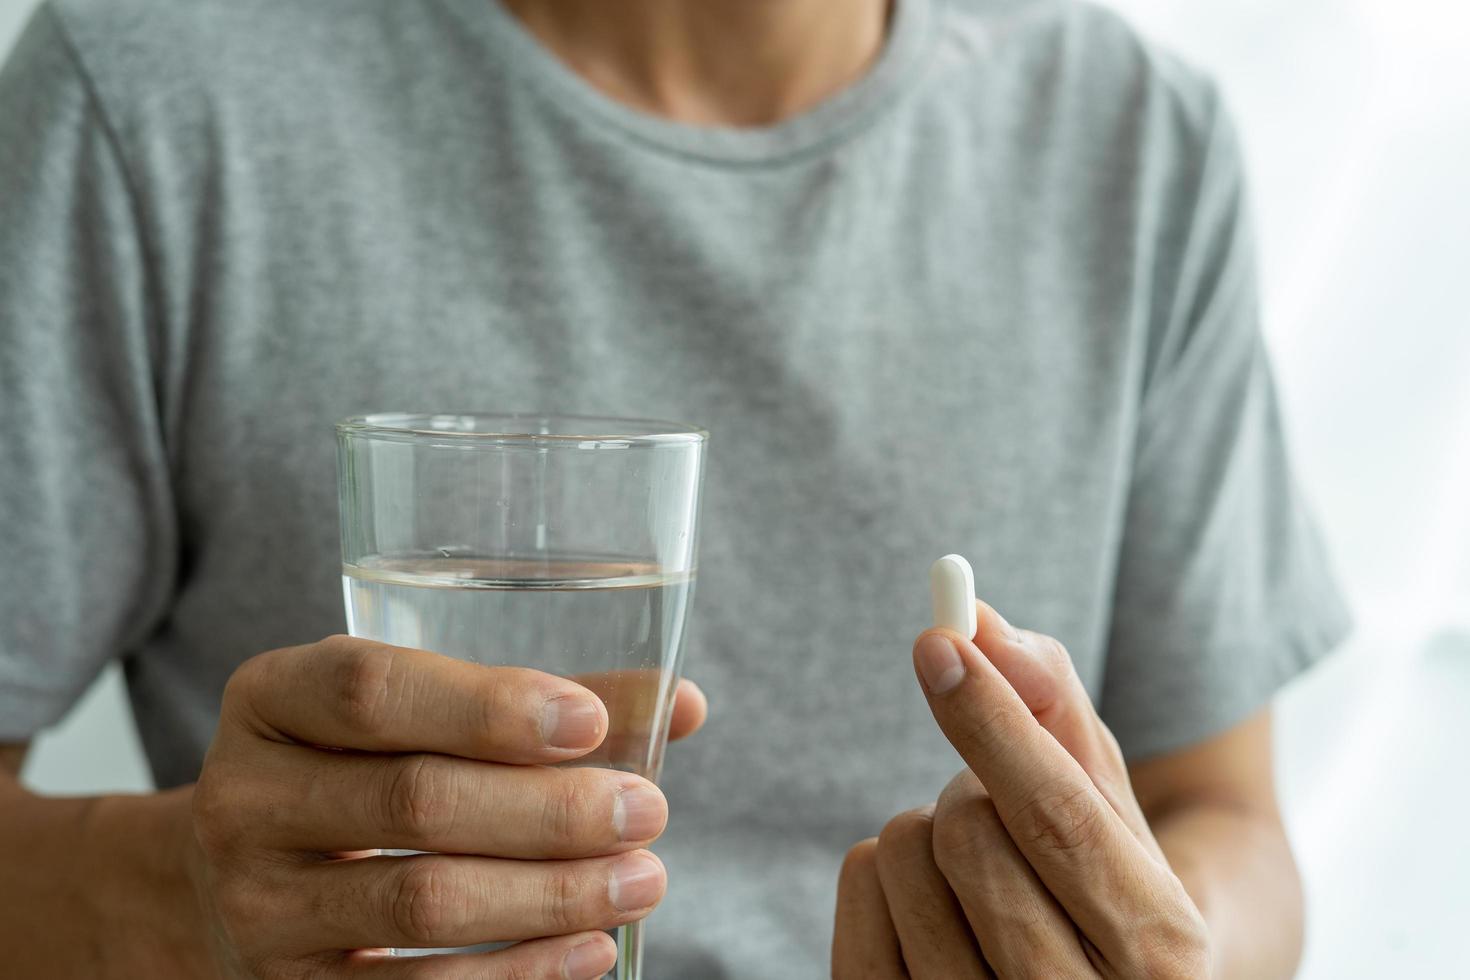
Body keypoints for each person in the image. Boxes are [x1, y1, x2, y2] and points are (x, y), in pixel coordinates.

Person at [0, 0, 1351, 976]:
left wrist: (1137, 949)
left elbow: (1221, 817)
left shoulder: (1133, 142)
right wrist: (185, 898)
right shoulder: (155, 86)